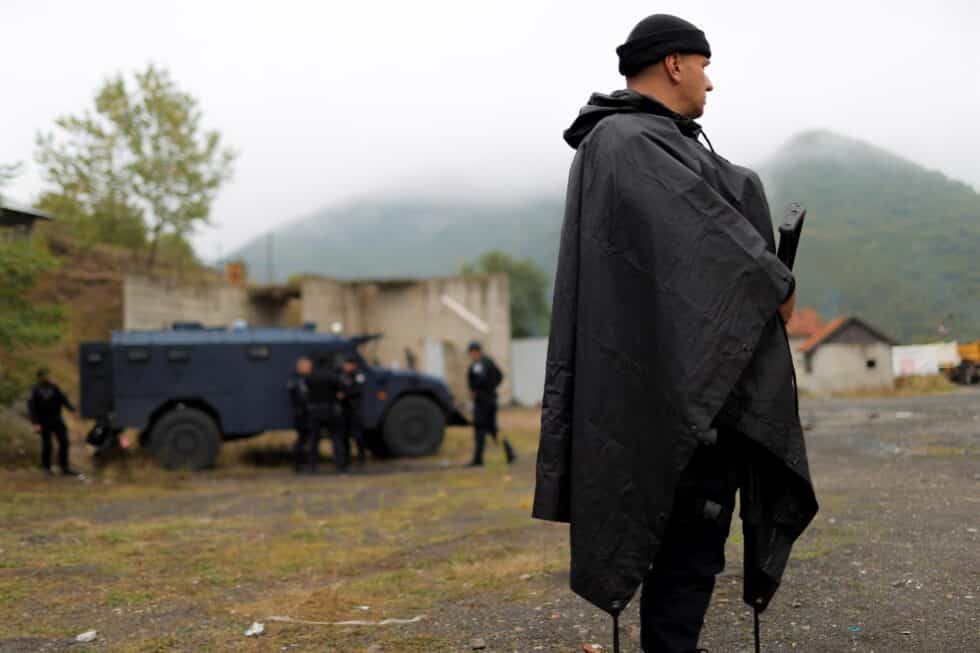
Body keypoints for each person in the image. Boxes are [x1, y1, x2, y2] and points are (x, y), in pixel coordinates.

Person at [531, 14, 818, 653]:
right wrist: (772, 276)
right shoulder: (627, 145)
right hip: (669, 408)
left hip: (685, 403)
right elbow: (709, 250)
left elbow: (704, 233)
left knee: (690, 561)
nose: (710, 85)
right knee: (683, 558)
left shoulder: (641, 145)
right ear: (675, 65)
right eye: (705, 67)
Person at [466, 342, 515, 467]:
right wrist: (491, 388)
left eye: (472, 352)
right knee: (491, 429)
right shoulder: (488, 362)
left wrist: (478, 390)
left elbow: (480, 379)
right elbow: (499, 376)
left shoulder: (480, 364)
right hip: (489, 400)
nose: (471, 355)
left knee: (480, 429)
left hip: (484, 401)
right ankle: (509, 452)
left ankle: (478, 459)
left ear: (476, 351)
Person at [28, 368, 79, 476]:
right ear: (39, 377)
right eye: (44, 376)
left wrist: (72, 410)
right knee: (47, 445)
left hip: (56, 419)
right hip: (43, 421)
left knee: (64, 442)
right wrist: (35, 423)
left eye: (48, 375)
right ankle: (46, 468)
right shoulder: (35, 390)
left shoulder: (54, 388)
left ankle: (64, 467)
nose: (47, 378)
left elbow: (63, 399)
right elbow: (32, 408)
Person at [335, 355, 367, 467]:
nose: (346, 366)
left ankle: (361, 458)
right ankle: (346, 459)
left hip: (355, 409)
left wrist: (345, 394)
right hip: (344, 410)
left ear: (353, 365)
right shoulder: (341, 375)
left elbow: (358, 389)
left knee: (358, 435)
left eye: (348, 364)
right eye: (345, 364)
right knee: (345, 436)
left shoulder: (359, 375)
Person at [287, 356, 317, 473]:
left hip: (309, 414)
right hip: (301, 414)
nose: (309, 368)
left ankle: (306, 463)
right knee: (302, 439)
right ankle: (298, 464)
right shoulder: (295, 380)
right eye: (307, 366)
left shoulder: (309, 378)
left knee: (308, 439)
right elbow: (298, 397)